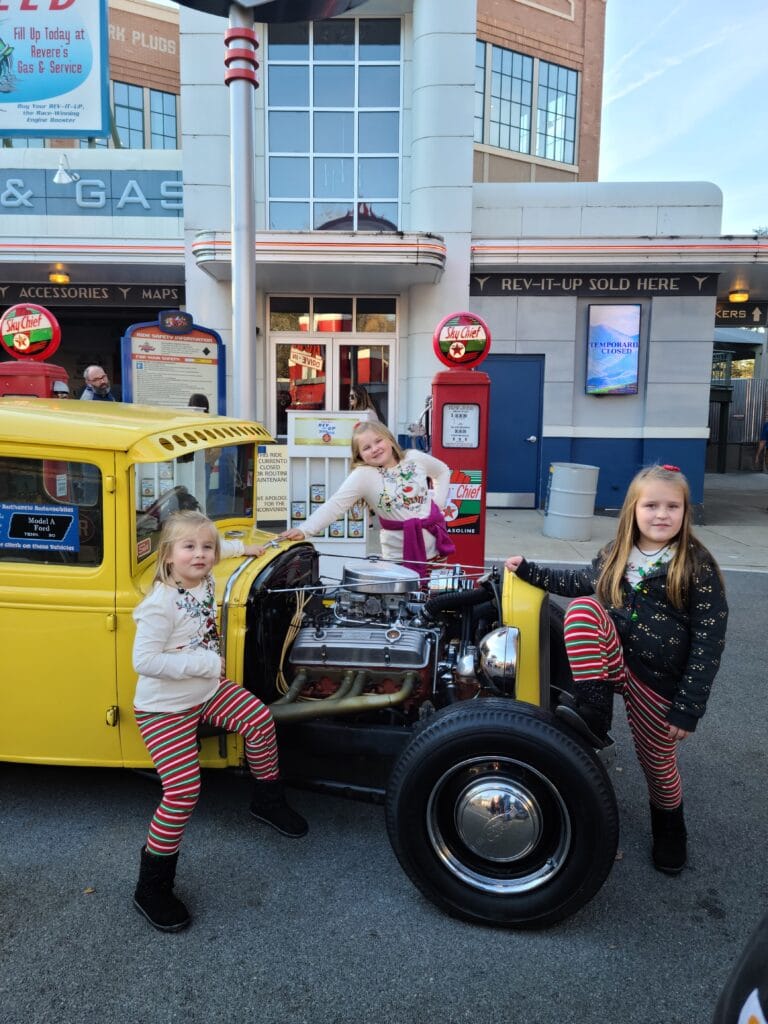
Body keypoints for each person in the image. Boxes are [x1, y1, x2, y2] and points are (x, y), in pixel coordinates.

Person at [504, 464, 728, 875]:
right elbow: (578, 582)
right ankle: (595, 711)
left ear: (684, 512)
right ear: (633, 510)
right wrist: (530, 571)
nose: (662, 514)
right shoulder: (617, 552)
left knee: (657, 765)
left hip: (658, 680)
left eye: (672, 506)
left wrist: (688, 706)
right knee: (585, 609)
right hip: (612, 661)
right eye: (652, 505)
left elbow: (708, 641)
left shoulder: (695, 564)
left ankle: (670, 826)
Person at [131, 510, 305, 933]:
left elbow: (220, 548)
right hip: (164, 708)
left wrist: (245, 548)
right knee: (183, 793)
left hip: (206, 690)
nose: (201, 555)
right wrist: (205, 661)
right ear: (168, 555)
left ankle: (266, 801)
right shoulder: (159, 604)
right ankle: (151, 886)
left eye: (206, 547)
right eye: (189, 547)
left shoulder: (205, 575)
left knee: (260, 721)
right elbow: (145, 660)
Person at [280, 421, 454, 574]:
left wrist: (437, 504)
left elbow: (442, 470)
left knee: (436, 601)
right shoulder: (363, 475)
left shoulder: (414, 458)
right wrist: (305, 530)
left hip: (435, 549)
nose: (375, 449)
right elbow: (335, 505)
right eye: (366, 447)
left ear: (390, 439)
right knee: (404, 606)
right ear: (360, 455)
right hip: (398, 558)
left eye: (378, 441)